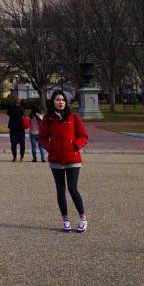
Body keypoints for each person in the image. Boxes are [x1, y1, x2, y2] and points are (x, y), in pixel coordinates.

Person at [37, 90, 89, 233]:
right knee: (60, 190)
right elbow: (42, 139)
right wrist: (51, 149)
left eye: (63, 100)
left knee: (72, 188)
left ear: (66, 102)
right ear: (52, 102)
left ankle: (82, 218)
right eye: (57, 100)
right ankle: (65, 220)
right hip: (56, 159)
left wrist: (75, 146)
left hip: (72, 158)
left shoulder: (74, 117)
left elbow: (83, 136)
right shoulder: (48, 119)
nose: (60, 102)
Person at [7, 96, 27, 162]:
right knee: (22, 143)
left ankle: (14, 157)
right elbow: (24, 113)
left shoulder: (11, 106)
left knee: (13, 143)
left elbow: (8, 113)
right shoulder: (21, 107)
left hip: (13, 127)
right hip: (21, 126)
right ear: (19, 100)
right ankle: (22, 157)